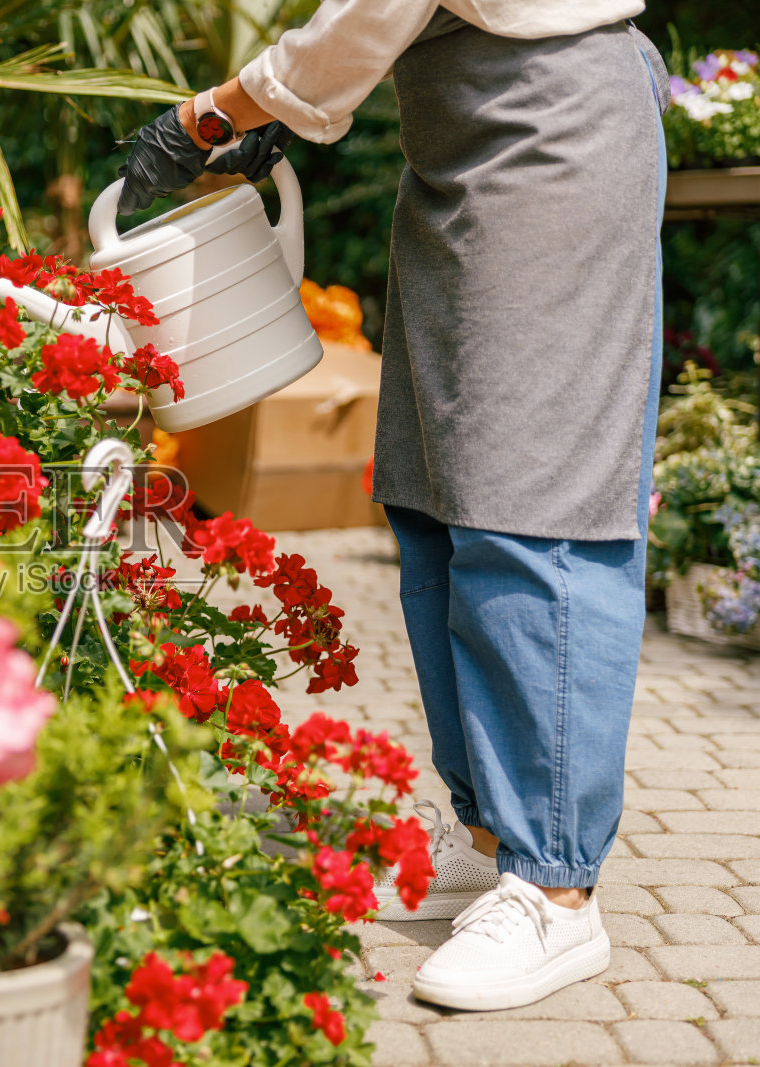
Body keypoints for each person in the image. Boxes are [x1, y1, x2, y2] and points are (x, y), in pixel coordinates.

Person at [118, 0, 670, 1012]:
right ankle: (493, 833)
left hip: (549, 121)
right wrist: (287, 99)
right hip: (460, 128)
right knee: (433, 486)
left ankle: (555, 887)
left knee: (528, 495)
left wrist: (215, 111)